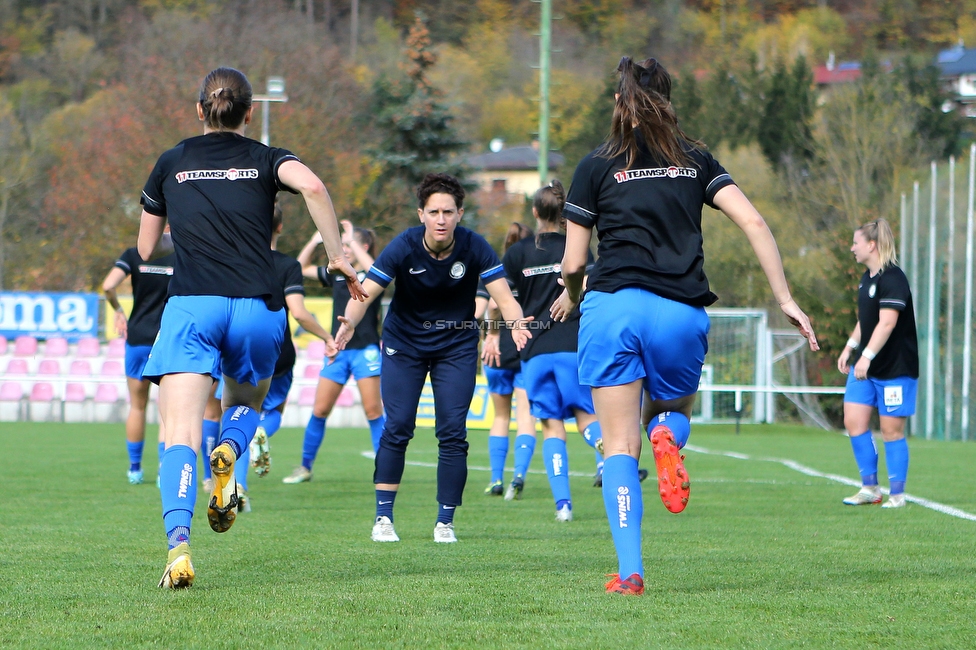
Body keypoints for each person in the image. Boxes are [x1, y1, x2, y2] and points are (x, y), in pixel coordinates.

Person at [552, 56, 818, 595]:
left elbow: (575, 264)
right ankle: (668, 433)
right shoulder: (694, 158)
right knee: (671, 411)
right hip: (680, 311)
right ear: (668, 103)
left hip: (614, 308)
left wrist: (573, 296)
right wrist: (785, 298)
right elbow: (754, 221)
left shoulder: (595, 165)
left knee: (618, 447)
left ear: (619, 104)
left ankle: (630, 572)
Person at [138, 66, 362, 589]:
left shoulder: (172, 160)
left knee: (178, 434)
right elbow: (312, 185)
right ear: (250, 113)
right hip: (258, 307)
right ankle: (232, 452)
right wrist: (336, 257)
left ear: (199, 110)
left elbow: (146, 248)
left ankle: (178, 548)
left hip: (194, 304)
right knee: (247, 404)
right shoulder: (267, 157)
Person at [334, 172, 531, 544]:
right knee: (398, 427)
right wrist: (348, 323)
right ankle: (383, 519)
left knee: (453, 433)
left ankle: (445, 523)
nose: (441, 219)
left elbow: (504, 297)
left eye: (449, 212)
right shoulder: (403, 246)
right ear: (421, 213)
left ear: (460, 214)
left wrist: (517, 323)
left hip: (455, 346)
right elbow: (367, 292)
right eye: (434, 211)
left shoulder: (475, 247)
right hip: (403, 345)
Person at [502, 182, 605, 521]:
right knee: (586, 415)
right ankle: (602, 449)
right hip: (572, 343)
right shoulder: (577, 250)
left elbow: (506, 300)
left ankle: (563, 506)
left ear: (534, 212)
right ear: (564, 215)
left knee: (551, 427)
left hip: (534, 349)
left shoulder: (518, 253)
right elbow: (588, 293)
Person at [231, 202, 337, 508]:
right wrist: (327, 337)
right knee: (272, 411)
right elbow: (301, 314)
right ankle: (263, 430)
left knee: (239, 415)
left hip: (239, 349)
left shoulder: (234, 261)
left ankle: (239, 486)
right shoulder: (287, 265)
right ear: (279, 227)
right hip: (277, 351)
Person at [282, 219, 385, 484]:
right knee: (320, 410)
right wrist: (315, 241)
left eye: (350, 244)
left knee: (374, 412)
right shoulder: (338, 274)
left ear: (363, 245)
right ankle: (305, 467)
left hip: (366, 351)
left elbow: (374, 270)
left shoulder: (374, 275)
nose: (345, 249)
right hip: (338, 352)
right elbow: (300, 267)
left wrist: (351, 242)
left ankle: (385, 467)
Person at [836, 219, 917, 509]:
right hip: (865, 368)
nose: (852, 248)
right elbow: (867, 320)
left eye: (856, 242)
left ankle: (897, 494)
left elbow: (887, 322)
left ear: (871, 245)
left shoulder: (893, 277)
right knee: (853, 422)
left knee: (891, 431)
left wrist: (867, 357)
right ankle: (870, 487)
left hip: (895, 369)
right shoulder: (866, 279)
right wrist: (850, 348)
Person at [102, 241, 175, 485]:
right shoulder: (181, 255)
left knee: (137, 406)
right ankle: (164, 468)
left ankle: (135, 469)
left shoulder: (134, 254)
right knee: (168, 410)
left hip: (137, 338)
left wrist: (118, 310)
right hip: (166, 339)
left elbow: (108, 286)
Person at [479, 223, 538, 499]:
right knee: (526, 416)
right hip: (525, 346)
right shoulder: (533, 272)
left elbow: (490, 305)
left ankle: (495, 479)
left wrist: (491, 334)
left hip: (497, 351)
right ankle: (519, 476)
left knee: (501, 416)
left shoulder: (495, 271)